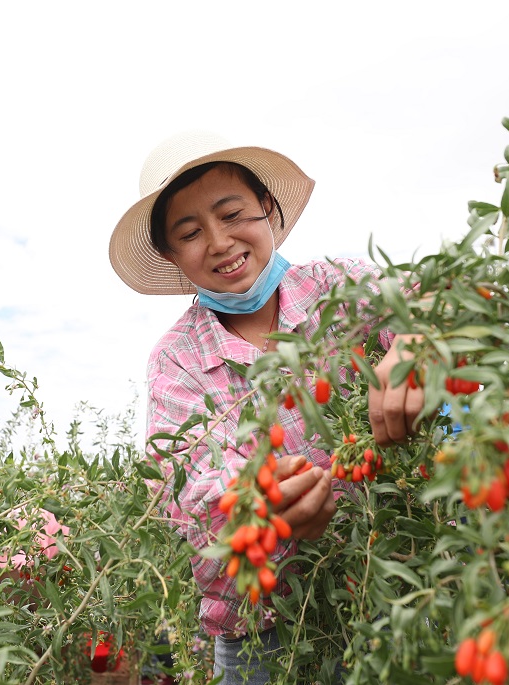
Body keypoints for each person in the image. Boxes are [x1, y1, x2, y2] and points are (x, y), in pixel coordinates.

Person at [109, 131, 423, 684]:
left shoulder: (341, 287)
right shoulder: (177, 360)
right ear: (172, 256)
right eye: (190, 233)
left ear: (269, 212)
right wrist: (259, 501)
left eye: (233, 214)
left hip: (391, 580)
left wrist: (417, 346)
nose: (219, 241)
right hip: (268, 628)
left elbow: (432, 302)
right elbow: (183, 483)